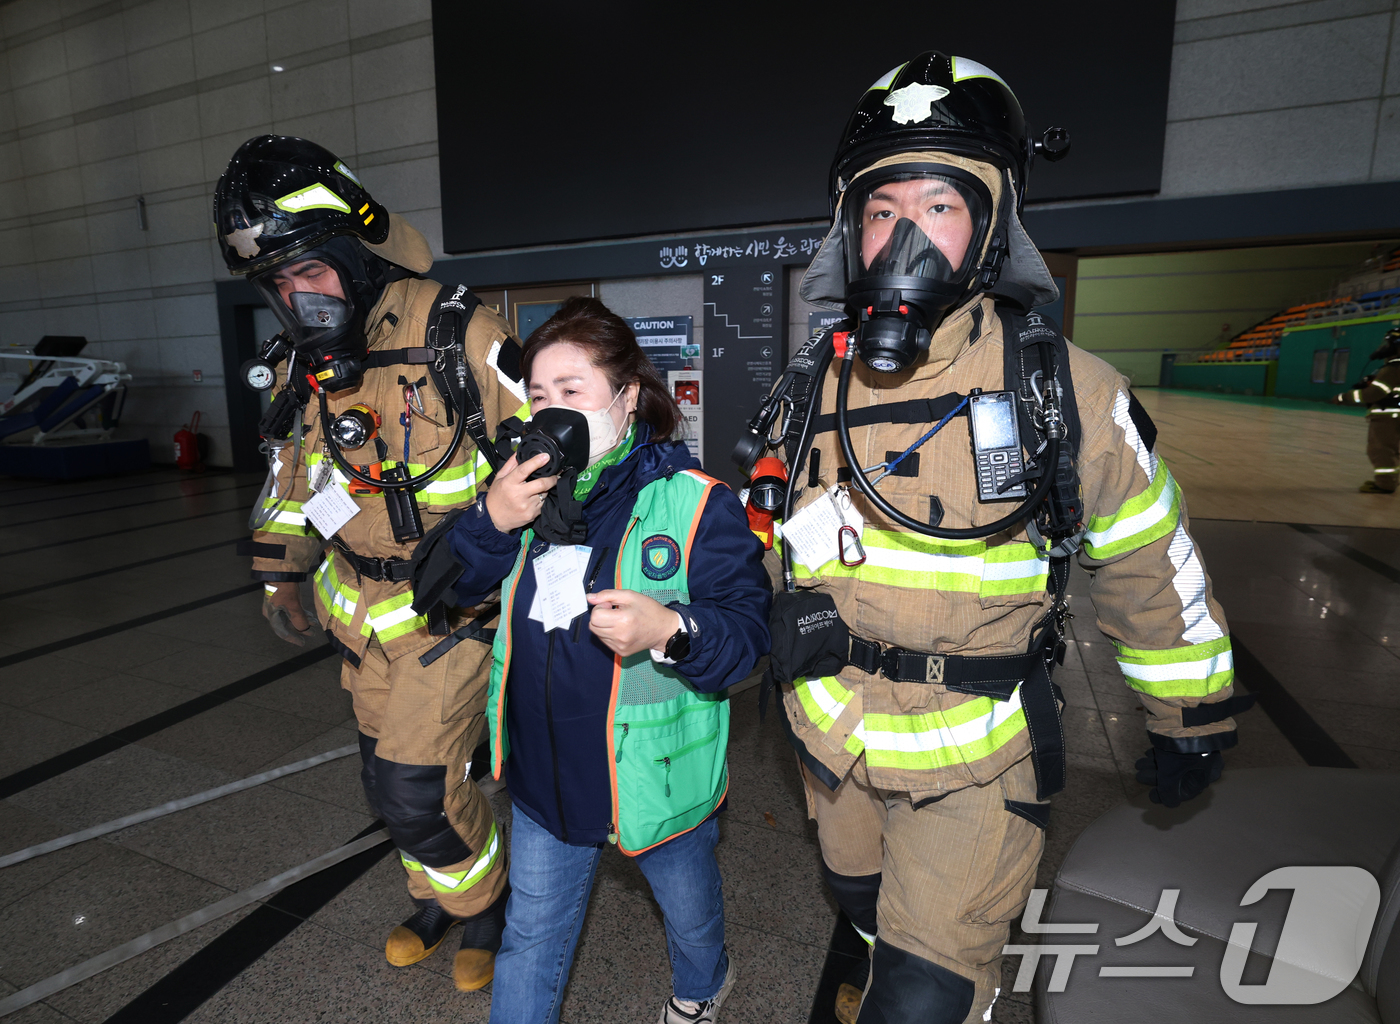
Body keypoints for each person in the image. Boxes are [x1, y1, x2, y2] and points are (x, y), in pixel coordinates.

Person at [746, 52, 1250, 1024]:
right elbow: (770, 532)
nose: (905, 235)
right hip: (832, 742)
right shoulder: (807, 390)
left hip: (976, 760)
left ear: (987, 226)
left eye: (938, 205)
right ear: (849, 230)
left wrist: (1188, 710)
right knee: (859, 907)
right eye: (883, 209)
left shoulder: (1065, 392)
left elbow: (1150, 558)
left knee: (924, 997)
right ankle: (879, 942)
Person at [214, 135, 529, 991]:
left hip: (452, 611)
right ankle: (438, 897)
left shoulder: (459, 327)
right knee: (384, 785)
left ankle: (485, 903)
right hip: (358, 618)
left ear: (352, 251)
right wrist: (281, 571)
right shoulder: (301, 363)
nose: (295, 298)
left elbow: (540, 463)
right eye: (276, 285)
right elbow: (294, 476)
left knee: (415, 786)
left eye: (308, 272)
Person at [447, 297, 771, 1024]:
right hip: (542, 775)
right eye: (537, 395)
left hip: (656, 780)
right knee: (529, 936)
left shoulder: (694, 504)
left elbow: (747, 636)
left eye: (572, 391)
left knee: (687, 913)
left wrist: (672, 628)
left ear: (626, 398)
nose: (551, 409)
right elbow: (443, 591)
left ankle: (704, 984)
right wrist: (492, 522)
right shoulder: (519, 493)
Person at [1333, 326, 1400, 493]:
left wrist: (1344, 397)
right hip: (1394, 414)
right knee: (1394, 450)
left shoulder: (1394, 368)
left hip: (1388, 416)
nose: (1384, 347)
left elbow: (1374, 394)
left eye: (1388, 343)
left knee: (1381, 449)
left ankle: (1385, 484)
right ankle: (1391, 481)